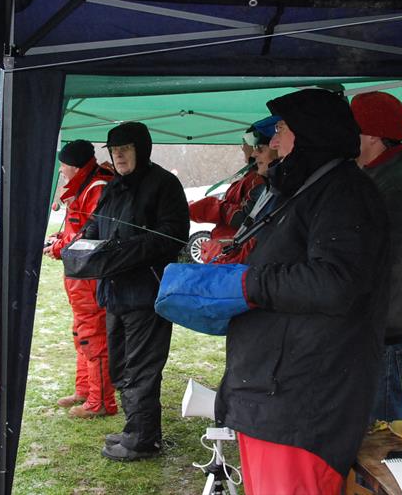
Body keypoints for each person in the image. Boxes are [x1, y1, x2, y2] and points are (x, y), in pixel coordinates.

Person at [215, 89, 390, 494]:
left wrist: (247, 283)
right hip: (271, 394)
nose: (273, 142)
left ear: (310, 131)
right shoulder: (308, 187)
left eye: (281, 129)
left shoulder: (344, 191)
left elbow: (334, 281)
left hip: (301, 402)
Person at [79, 121, 190, 461]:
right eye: (114, 151)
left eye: (125, 149)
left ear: (142, 149)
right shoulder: (114, 187)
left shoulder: (164, 184)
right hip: (114, 293)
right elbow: (97, 223)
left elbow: (172, 234)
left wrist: (121, 252)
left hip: (147, 293)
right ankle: (135, 428)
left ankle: (143, 439)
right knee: (121, 365)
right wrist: (83, 243)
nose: (119, 156)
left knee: (142, 368)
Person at [351, 91, 402, 423]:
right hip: (374, 332)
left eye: (350, 130)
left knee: (380, 442)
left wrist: (369, 326)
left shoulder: (397, 189)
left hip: (385, 337)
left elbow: (396, 272)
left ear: (371, 135)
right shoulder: (377, 179)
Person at [43, 140, 118, 418]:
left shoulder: (96, 188)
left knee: (93, 335)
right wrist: (57, 241)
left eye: (63, 165)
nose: (61, 170)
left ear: (73, 166)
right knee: (81, 333)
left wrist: (60, 247)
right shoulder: (85, 186)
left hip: (89, 276)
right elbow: (77, 228)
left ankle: (101, 402)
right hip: (79, 276)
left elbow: (92, 234)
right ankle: (85, 389)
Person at [194, 116, 279, 263]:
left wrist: (215, 208)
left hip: (247, 263)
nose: (251, 151)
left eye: (257, 146)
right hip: (236, 256)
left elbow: (249, 220)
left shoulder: (258, 180)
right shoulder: (252, 177)